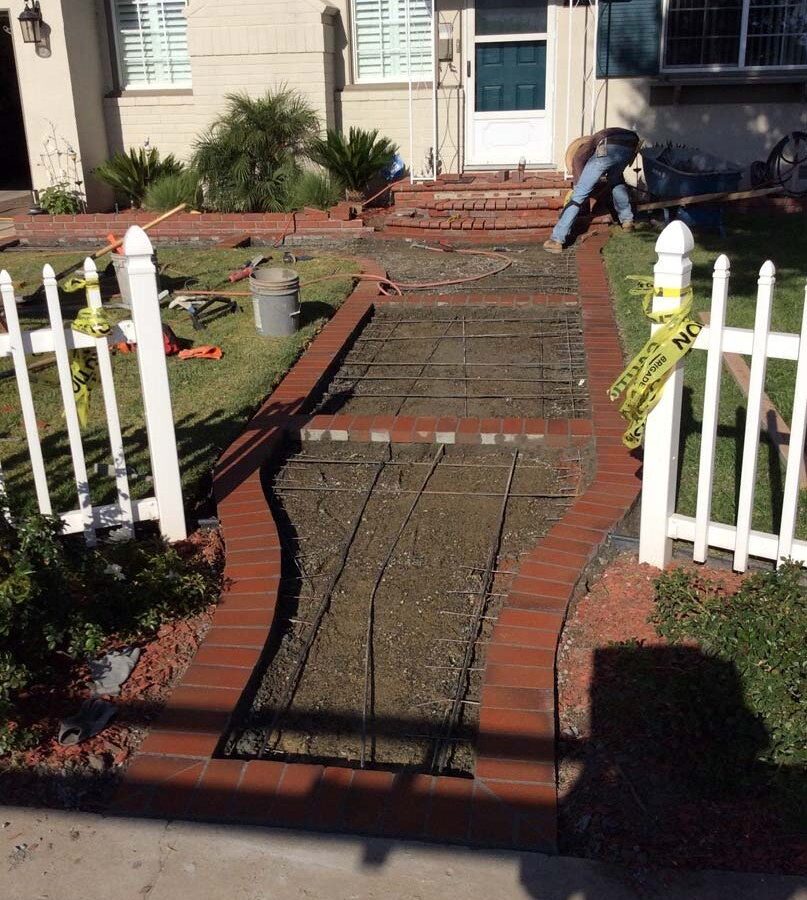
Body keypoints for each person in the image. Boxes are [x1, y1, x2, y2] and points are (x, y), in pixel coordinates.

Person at [543, 128, 641, 253]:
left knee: (579, 194)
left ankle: (557, 240)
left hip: (608, 147)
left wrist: (579, 186)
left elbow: (579, 170)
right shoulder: (600, 137)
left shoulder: (580, 153)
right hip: (630, 146)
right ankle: (627, 221)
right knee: (616, 181)